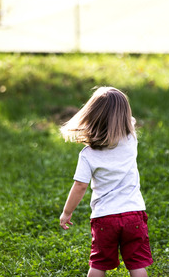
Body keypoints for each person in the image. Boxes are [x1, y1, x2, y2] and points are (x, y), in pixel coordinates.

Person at [59, 87, 153, 277]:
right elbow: (131, 122)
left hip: (105, 218)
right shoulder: (130, 140)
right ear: (125, 117)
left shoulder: (87, 155)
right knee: (136, 264)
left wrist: (67, 212)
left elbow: (80, 186)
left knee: (98, 264)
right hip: (133, 214)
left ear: (91, 116)